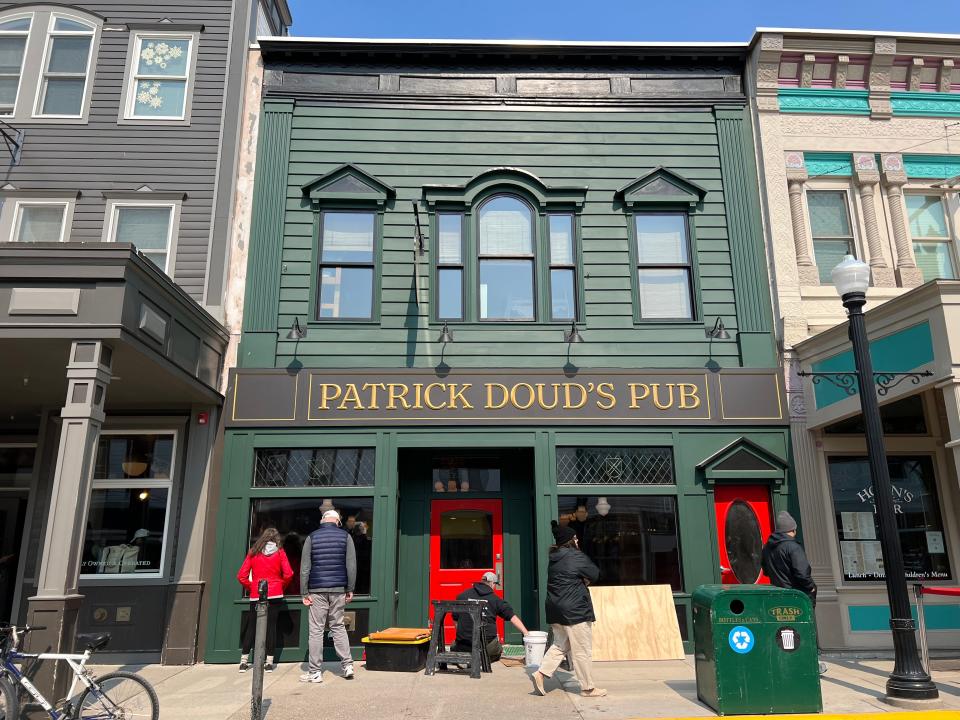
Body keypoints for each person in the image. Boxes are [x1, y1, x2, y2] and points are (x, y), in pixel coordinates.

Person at [531, 521, 606, 698]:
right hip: (575, 610)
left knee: (560, 645)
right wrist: (584, 580)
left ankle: (541, 673)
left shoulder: (554, 558)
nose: (578, 540)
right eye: (575, 537)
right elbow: (596, 573)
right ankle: (588, 688)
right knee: (582, 650)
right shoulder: (576, 556)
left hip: (555, 609)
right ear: (570, 541)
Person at [761, 510, 826, 674]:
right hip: (798, 596)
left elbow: (766, 571)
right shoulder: (793, 547)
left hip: (779, 596)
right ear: (793, 529)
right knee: (805, 629)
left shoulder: (768, 548)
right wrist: (810, 586)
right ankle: (811, 663)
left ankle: (785, 662)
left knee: (783, 629)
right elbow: (802, 572)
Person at [300, 509, 356, 684]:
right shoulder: (346, 537)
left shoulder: (311, 537)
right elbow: (351, 565)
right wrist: (350, 588)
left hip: (316, 589)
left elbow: (305, 568)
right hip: (338, 588)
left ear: (322, 520)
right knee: (338, 626)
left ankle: (315, 672)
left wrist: (304, 592)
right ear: (338, 521)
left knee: (316, 629)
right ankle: (347, 665)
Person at [236, 527, 293, 673]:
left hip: (256, 594)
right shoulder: (280, 552)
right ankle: (269, 662)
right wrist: (280, 586)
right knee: (271, 627)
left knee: (251, 627)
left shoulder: (253, 552)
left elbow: (241, 576)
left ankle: (243, 662)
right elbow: (288, 574)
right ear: (277, 539)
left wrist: (253, 586)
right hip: (275, 593)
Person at [451, 571, 528, 663]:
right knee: (498, 649)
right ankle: (481, 658)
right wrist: (526, 633)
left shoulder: (462, 596)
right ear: (492, 583)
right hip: (485, 646)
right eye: (495, 584)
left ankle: (467, 657)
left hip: (463, 645)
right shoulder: (496, 600)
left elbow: (455, 620)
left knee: (453, 645)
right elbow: (512, 617)